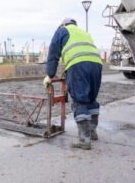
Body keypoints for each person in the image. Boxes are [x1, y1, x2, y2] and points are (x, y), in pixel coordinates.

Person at [43, 18, 103, 150]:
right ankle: (92, 132)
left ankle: (84, 140)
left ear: (63, 24)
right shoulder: (84, 33)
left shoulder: (62, 30)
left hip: (78, 65)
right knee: (91, 99)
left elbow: (53, 54)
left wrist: (50, 75)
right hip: (97, 65)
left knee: (80, 100)